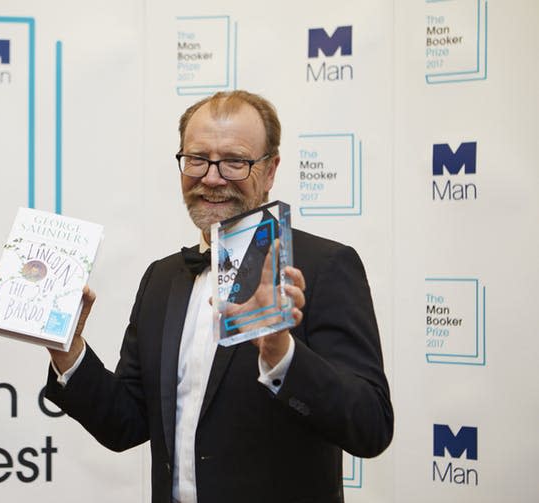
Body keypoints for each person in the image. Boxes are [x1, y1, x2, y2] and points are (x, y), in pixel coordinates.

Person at [45, 90, 393, 503]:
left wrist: (281, 354)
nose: (211, 177)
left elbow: (370, 427)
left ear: (269, 171)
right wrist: (67, 348)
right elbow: (126, 425)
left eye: (234, 161)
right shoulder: (162, 278)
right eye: (197, 158)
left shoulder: (325, 266)